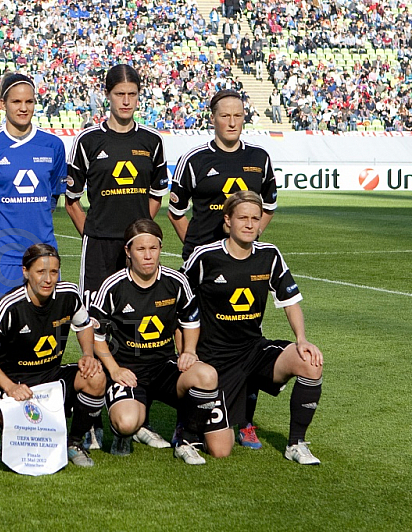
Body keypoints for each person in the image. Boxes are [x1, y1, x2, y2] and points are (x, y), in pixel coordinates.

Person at [65, 64, 170, 450]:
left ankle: (134, 406)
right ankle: (91, 414)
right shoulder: (89, 140)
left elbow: (157, 195)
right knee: (92, 323)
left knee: (140, 318)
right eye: (119, 94)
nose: (126, 101)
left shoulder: (152, 142)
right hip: (99, 245)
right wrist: (91, 232)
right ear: (107, 96)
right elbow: (73, 200)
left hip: (134, 248)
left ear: (139, 96)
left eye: (132, 94)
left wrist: (139, 235)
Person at [169, 89, 278, 449]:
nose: (232, 122)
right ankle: (187, 418)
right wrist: (201, 248)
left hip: (243, 267)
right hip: (201, 268)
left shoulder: (259, 158)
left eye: (238, 116)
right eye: (225, 116)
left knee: (246, 338)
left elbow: (268, 207)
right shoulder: (195, 159)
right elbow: (176, 211)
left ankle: (244, 421)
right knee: (193, 340)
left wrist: (248, 241)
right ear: (212, 118)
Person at [183, 191, 324, 465]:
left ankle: (296, 443)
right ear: (228, 220)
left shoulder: (269, 255)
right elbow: (181, 307)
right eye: (243, 218)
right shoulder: (205, 256)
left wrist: (301, 339)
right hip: (215, 359)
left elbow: (290, 301)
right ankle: (188, 424)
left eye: (255, 219)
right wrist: (187, 352)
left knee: (310, 361)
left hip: (253, 351)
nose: (249, 224)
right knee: (220, 450)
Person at [91, 219, 228, 464]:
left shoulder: (176, 282)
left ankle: (186, 440)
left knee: (207, 375)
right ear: (128, 251)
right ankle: (128, 432)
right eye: (141, 249)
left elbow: (191, 321)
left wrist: (188, 351)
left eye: (153, 248)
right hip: (128, 370)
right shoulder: (113, 286)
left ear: (160, 249)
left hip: (165, 367)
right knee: (126, 422)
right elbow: (96, 337)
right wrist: (114, 369)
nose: (148, 256)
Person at [0, 244, 106, 468]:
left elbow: (84, 325)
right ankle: (10, 439)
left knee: (96, 377)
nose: (48, 279)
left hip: (52, 377)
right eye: (40, 272)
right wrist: (9, 386)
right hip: (14, 382)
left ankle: (73, 444)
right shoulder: (9, 305)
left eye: (53, 272)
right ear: (25, 272)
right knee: (13, 422)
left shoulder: (69, 295)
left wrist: (88, 354)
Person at [0, 73, 67, 307]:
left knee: (43, 335)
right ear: (3, 104)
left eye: (29, 102)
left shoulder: (53, 146)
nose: (23, 108)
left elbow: (52, 198)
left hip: (44, 257)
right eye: (16, 102)